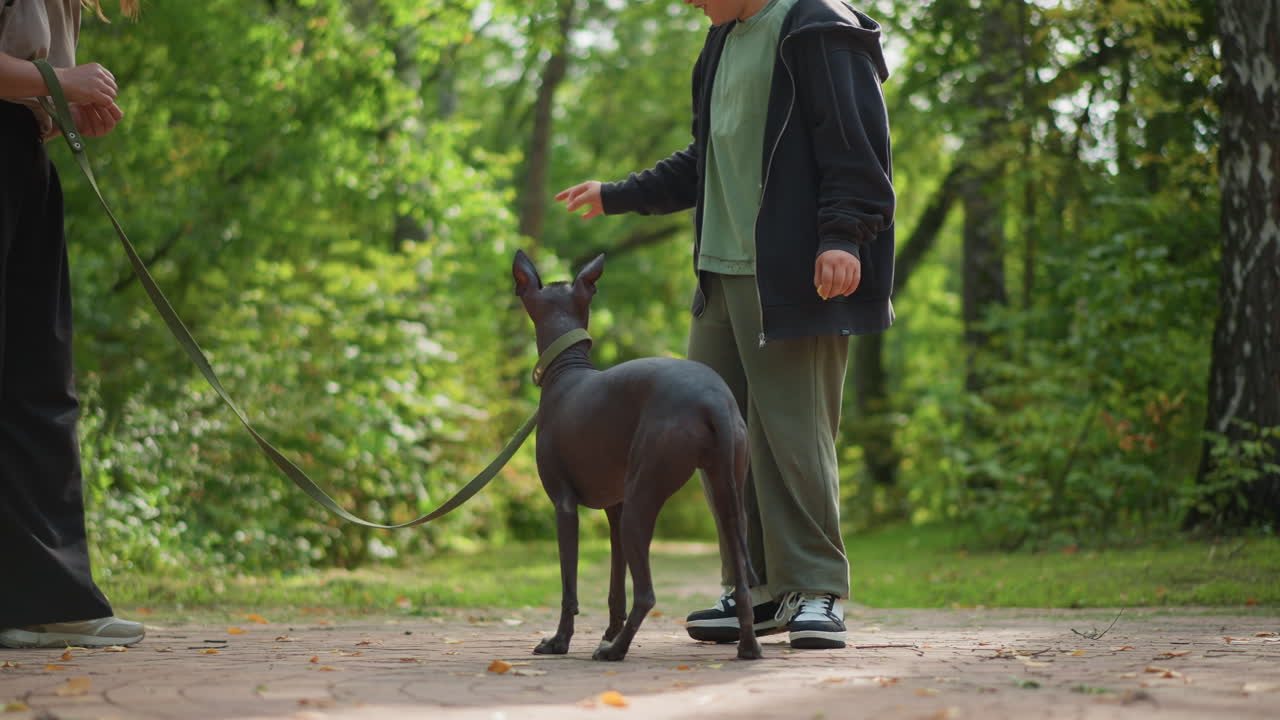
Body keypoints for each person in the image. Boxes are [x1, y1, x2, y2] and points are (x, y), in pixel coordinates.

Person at [556, 0, 893, 650]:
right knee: (720, 441)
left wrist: (843, 236)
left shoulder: (818, 25)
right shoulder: (720, 41)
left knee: (793, 438)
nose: (688, 3)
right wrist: (617, 193)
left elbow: (857, 145)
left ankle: (817, 589)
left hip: (797, 275)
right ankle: (755, 589)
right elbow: (703, 160)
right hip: (720, 272)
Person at [0, 0, 144, 649]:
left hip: (21, 157)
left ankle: (46, 597)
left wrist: (60, 104)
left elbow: (24, 77)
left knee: (40, 382)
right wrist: (62, 82)